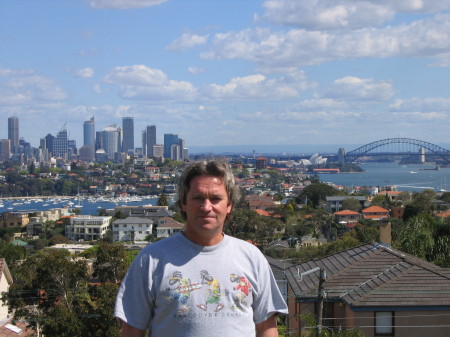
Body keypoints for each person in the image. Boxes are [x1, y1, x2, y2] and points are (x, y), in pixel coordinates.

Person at [115, 160, 288, 337]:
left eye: (215, 199)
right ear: (183, 203)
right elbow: (132, 329)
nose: (206, 207)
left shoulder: (252, 257)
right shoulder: (151, 259)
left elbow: (267, 327)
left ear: (229, 205)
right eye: (197, 198)